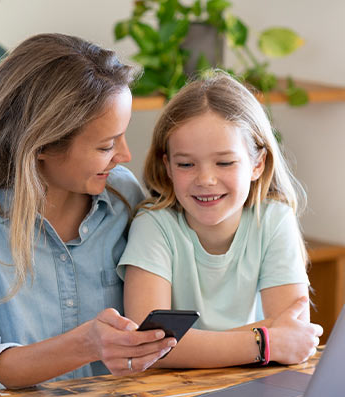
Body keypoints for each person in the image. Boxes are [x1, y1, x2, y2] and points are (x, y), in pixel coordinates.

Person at [0, 33, 176, 397]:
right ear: (43, 143)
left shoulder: (121, 195)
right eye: (107, 145)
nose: (124, 155)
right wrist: (86, 344)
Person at [118, 71, 323, 369]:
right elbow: (148, 345)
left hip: (250, 382)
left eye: (225, 162)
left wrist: (189, 346)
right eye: (186, 164)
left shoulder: (274, 219)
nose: (206, 179)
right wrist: (267, 341)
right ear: (168, 167)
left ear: (257, 164)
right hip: (169, 391)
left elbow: (295, 330)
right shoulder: (154, 226)